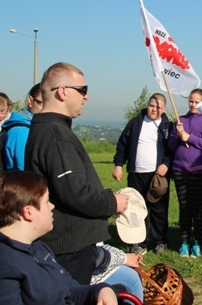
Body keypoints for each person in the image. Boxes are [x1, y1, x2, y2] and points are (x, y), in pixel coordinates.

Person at [25, 62, 130, 284]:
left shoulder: (50, 129)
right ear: (62, 92)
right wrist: (114, 203)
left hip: (66, 245)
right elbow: (75, 193)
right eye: (82, 90)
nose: (86, 97)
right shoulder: (55, 134)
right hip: (70, 248)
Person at [0, 170, 119, 305]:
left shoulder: (37, 246)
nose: (52, 206)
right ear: (29, 212)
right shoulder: (0, 264)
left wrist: (101, 290)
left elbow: (70, 289)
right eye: (47, 201)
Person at [113, 93, 171, 255]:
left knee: (159, 209)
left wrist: (166, 164)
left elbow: (172, 150)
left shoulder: (168, 127)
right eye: (152, 106)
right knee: (137, 208)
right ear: (148, 105)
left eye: (158, 107)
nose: (154, 109)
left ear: (164, 109)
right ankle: (139, 242)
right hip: (136, 172)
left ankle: (160, 241)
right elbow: (122, 145)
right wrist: (118, 165)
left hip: (158, 176)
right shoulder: (135, 123)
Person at [168, 88, 202, 259]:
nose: (193, 104)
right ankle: (184, 242)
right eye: (191, 100)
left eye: (197, 101)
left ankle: (198, 242)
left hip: (200, 171)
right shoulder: (180, 120)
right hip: (180, 169)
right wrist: (177, 133)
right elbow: (171, 145)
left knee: (197, 207)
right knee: (184, 206)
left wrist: (189, 137)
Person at [0, 83, 43, 171]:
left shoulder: (30, 126)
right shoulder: (21, 130)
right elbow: (24, 169)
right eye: (41, 104)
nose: (46, 109)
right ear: (30, 100)